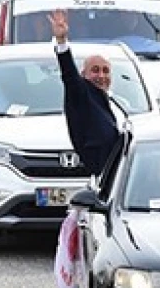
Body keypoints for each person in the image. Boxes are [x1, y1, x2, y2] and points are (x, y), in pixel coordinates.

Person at [49, 9, 119, 177]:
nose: (101, 76)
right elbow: (69, 75)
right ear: (84, 75)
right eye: (95, 70)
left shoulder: (109, 100)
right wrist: (61, 40)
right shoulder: (81, 94)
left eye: (105, 71)